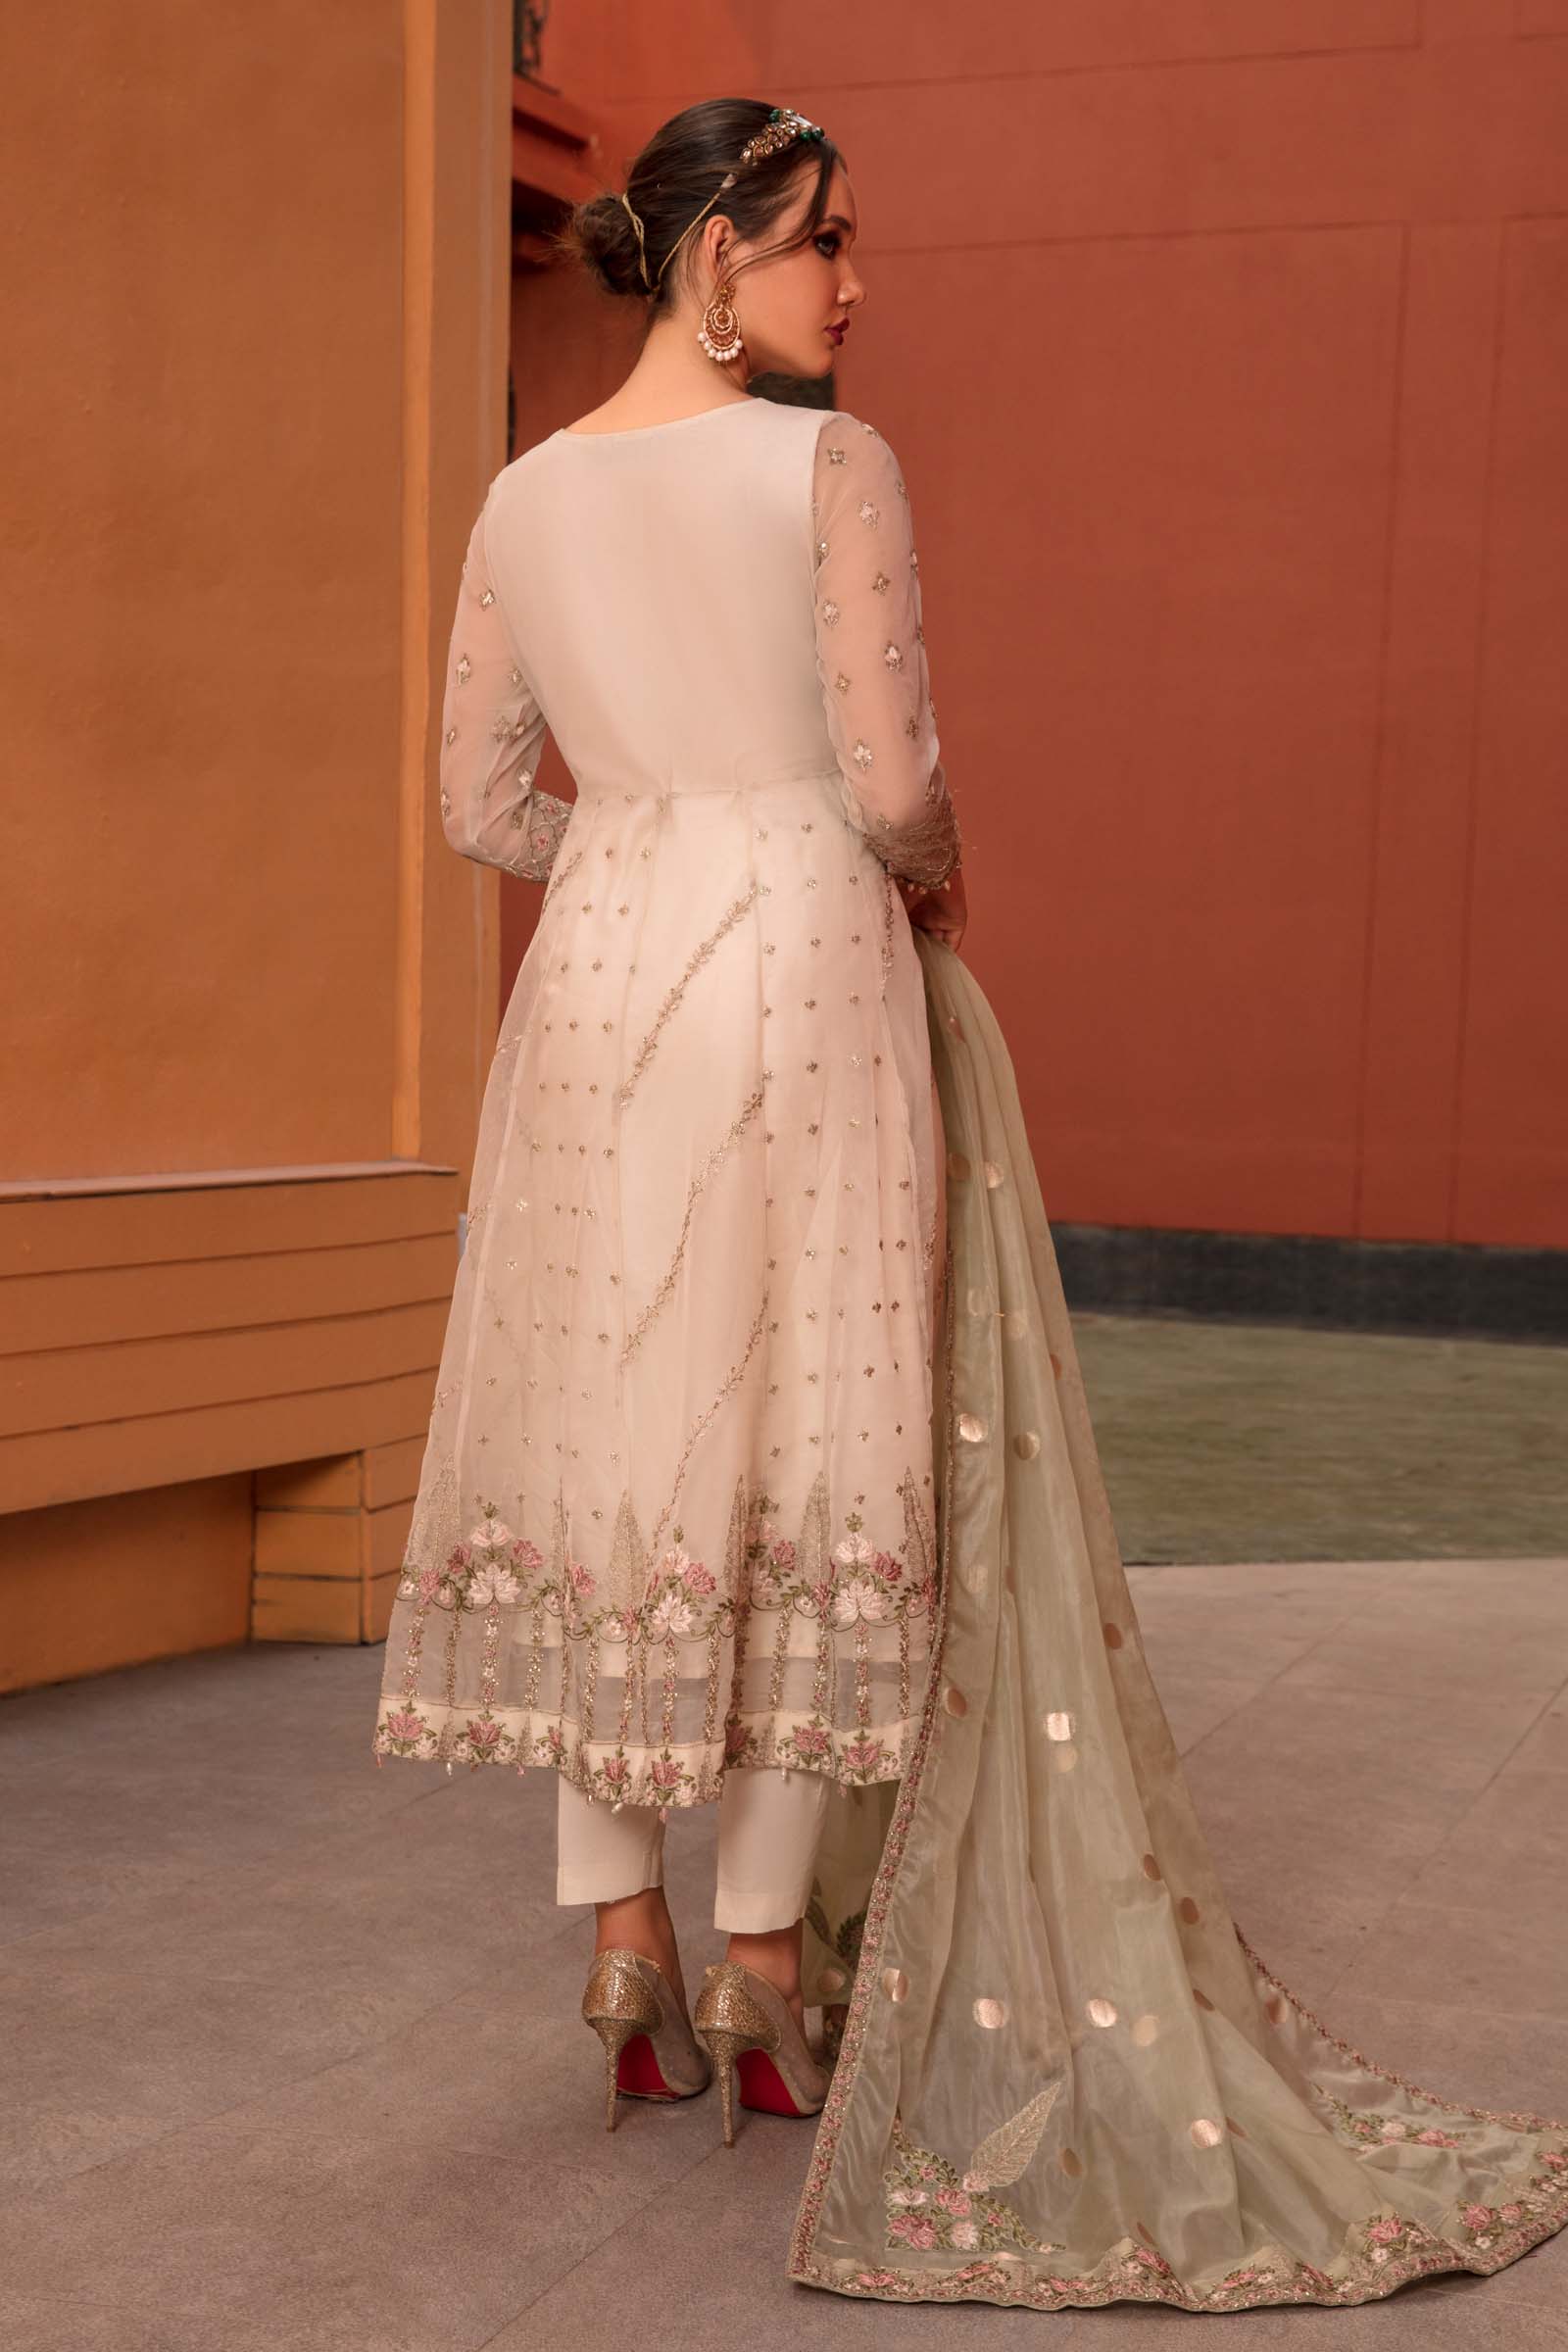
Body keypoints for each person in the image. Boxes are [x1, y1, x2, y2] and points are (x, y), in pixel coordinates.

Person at [372, 98, 1568, 2309]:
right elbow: (893, 775)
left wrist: (629, 847)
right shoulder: (829, 466)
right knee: (804, 1435)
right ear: (715, 257)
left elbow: (473, 803)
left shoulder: (522, 495)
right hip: (803, 965)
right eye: (821, 241)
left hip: (598, 985)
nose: (854, 284)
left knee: (622, 1433)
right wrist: (905, 878)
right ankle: (757, 1960)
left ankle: (618, 1935)